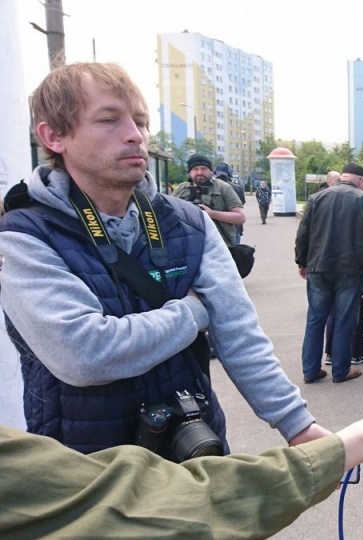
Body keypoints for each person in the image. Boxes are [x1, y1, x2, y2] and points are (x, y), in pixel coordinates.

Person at [0, 62, 325, 458]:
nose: (134, 136)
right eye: (109, 120)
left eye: (140, 121)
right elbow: (84, 354)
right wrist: (193, 313)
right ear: (53, 136)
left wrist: (297, 425)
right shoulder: (23, 236)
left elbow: (240, 334)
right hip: (87, 474)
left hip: (193, 450)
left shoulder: (187, 222)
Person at [0, 399, 363, 537]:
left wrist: (299, 426)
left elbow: (236, 326)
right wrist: (349, 446)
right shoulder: (31, 232)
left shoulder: (188, 222)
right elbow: (149, 508)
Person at [295, 162, 363, 384]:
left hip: (318, 267)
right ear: (361, 181)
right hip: (351, 270)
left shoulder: (317, 198)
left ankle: (310, 371)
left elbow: (303, 233)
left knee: (315, 319)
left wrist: (302, 261)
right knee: (345, 320)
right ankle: (341, 371)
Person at [173, 153, 246, 247]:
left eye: (204, 168)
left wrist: (211, 214)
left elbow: (241, 217)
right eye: (195, 169)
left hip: (220, 247)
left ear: (211, 171)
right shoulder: (181, 189)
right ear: (189, 172)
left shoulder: (223, 188)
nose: (200, 172)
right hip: (188, 247)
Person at [215, 163, 246, 245]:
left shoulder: (209, 187)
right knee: (235, 255)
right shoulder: (237, 188)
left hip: (215, 229)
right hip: (234, 227)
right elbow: (242, 204)